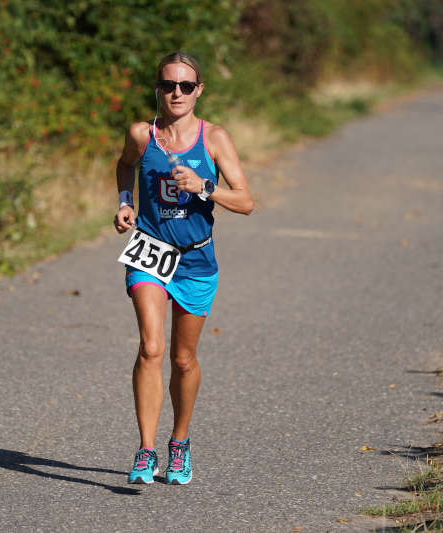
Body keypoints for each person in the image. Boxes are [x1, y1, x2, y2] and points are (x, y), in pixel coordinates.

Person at [113, 52, 253, 485]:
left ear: (199, 91)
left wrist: (206, 188)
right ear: (158, 89)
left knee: (183, 358)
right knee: (151, 348)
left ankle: (179, 443)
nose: (177, 93)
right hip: (150, 253)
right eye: (169, 85)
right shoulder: (142, 134)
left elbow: (246, 201)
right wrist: (124, 202)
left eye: (186, 86)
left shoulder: (214, 139)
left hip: (195, 259)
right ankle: (145, 450)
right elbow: (124, 166)